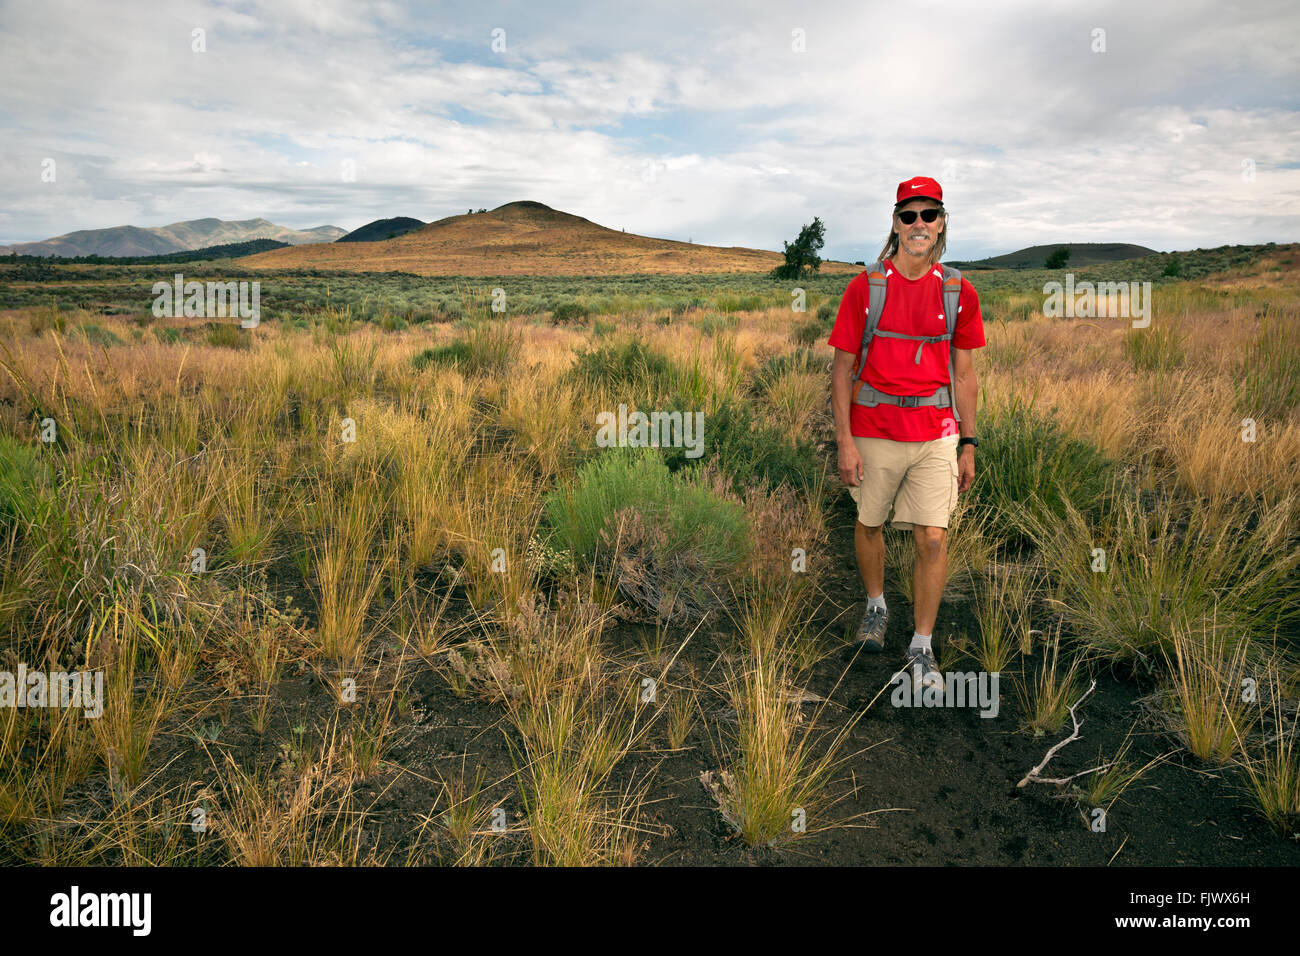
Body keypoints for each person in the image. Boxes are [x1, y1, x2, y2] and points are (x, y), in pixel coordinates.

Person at [826, 175, 985, 693]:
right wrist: (845, 442)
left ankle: (921, 646)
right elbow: (841, 369)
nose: (920, 225)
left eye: (929, 215)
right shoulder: (866, 287)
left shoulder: (958, 291)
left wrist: (968, 442)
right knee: (869, 524)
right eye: (909, 215)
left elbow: (964, 374)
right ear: (896, 223)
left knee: (932, 537)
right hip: (874, 429)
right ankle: (876, 606)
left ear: (942, 223)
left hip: (936, 432)